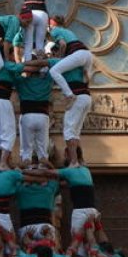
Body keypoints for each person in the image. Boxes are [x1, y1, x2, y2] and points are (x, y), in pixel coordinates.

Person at [47, 17, 93, 166]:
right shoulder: (74, 62)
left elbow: (62, 44)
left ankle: (73, 161)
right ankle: (80, 160)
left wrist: (59, 57)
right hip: (86, 95)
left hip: (77, 96)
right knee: (75, 132)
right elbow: (87, 78)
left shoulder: (56, 31)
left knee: (68, 132)